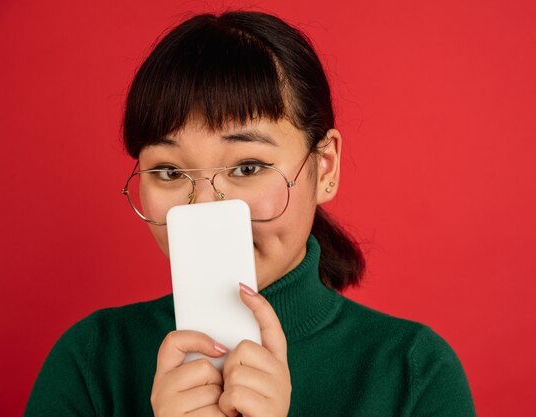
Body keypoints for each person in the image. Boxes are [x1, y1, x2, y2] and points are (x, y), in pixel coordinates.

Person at [25, 11, 476, 417]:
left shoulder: (414, 373)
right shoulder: (92, 361)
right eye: (168, 170)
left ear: (325, 167)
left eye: (248, 167)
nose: (202, 209)